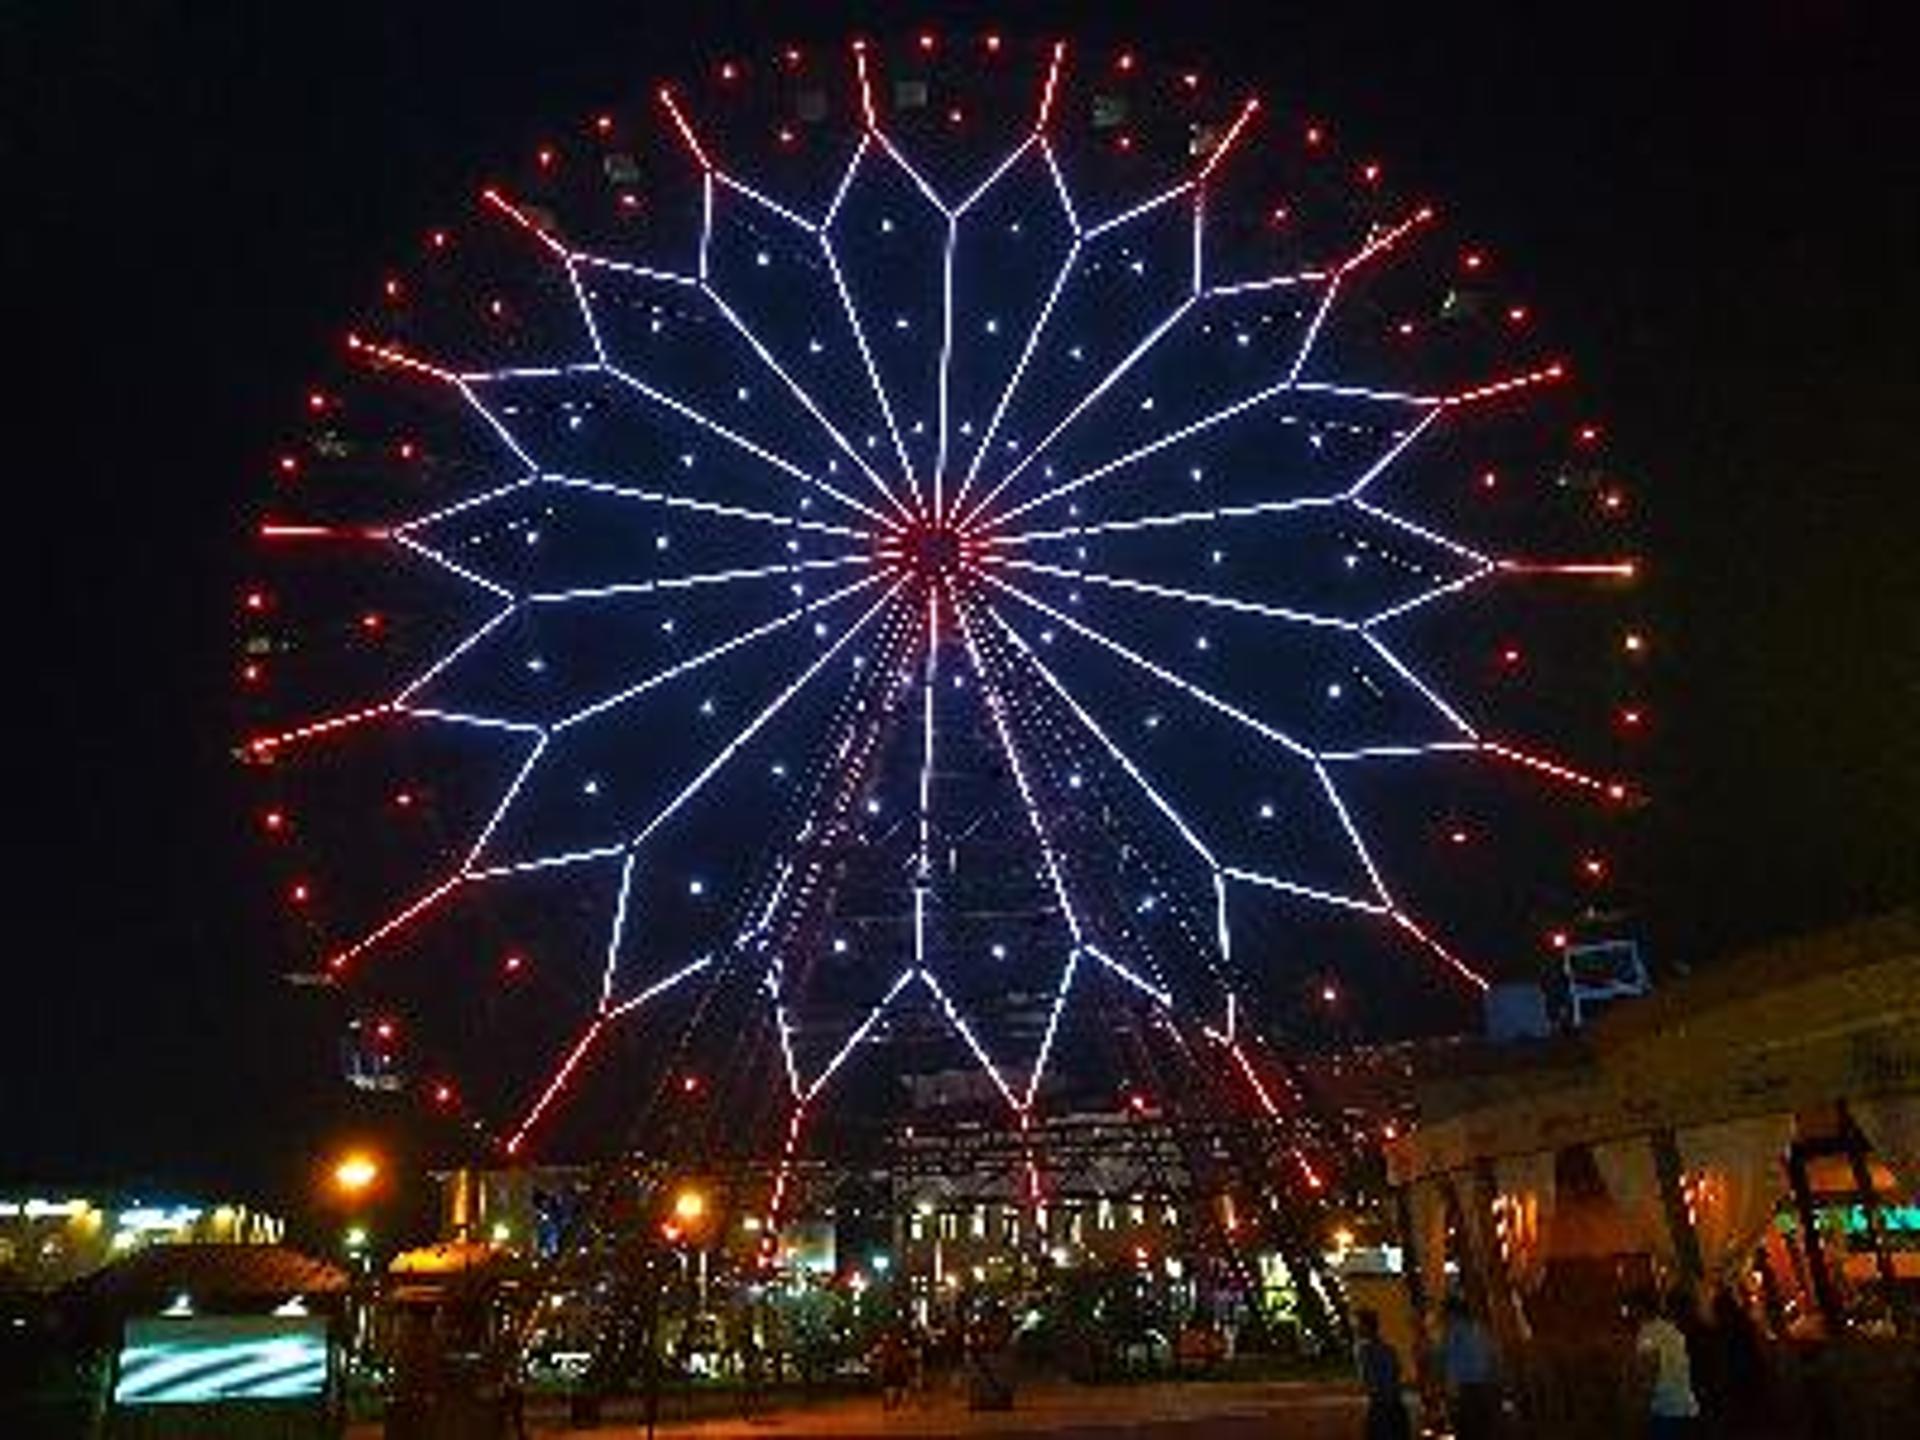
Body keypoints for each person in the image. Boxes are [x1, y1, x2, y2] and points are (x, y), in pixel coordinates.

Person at [1629, 1287, 1701, 1436]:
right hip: (1686, 1407)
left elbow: (1649, 1371)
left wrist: (1638, 1405)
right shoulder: (1671, 1329)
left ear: (1640, 1308)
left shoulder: (1647, 1334)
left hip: (1666, 1409)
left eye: (1631, 1308)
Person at [1437, 1296, 1500, 1440]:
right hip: (1487, 1387)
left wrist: (1450, 1393)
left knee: (1469, 1431)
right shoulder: (1479, 1328)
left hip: (1467, 1390)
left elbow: (1452, 1364)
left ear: (1451, 1314)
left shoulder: (1454, 1332)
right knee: (1486, 1430)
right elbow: (1492, 1355)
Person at [1353, 1308, 1412, 1440]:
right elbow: (1397, 1373)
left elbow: (1371, 1383)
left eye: (1358, 1326)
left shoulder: (1365, 1352)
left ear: (1366, 1327)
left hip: (1382, 1409)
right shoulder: (1389, 1349)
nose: (1356, 1329)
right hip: (1395, 1407)